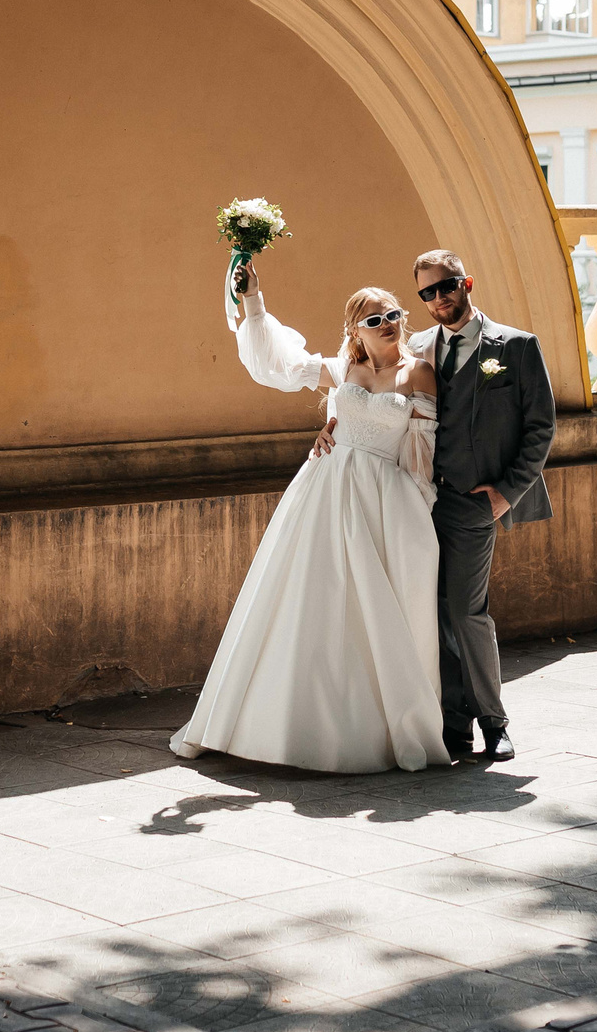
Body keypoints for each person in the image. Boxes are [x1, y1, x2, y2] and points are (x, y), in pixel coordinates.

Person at [168, 265, 451, 773]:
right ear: (354, 332)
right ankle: (280, 723)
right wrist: (253, 302)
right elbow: (277, 366)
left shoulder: (419, 373)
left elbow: (422, 450)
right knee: (309, 596)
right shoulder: (341, 369)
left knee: (374, 606)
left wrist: (417, 510)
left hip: (384, 499)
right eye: (372, 319)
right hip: (323, 489)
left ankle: (374, 726)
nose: (386, 323)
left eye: (392, 314)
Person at [319, 248, 553, 762]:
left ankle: (494, 722)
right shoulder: (414, 345)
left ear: (466, 283)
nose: (438, 298)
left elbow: (540, 428)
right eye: (427, 292)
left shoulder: (514, 347)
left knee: (466, 611)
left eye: (446, 286)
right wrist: (335, 425)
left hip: (472, 502)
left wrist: (506, 493)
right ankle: (451, 725)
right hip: (406, 500)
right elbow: (371, 393)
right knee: (422, 609)